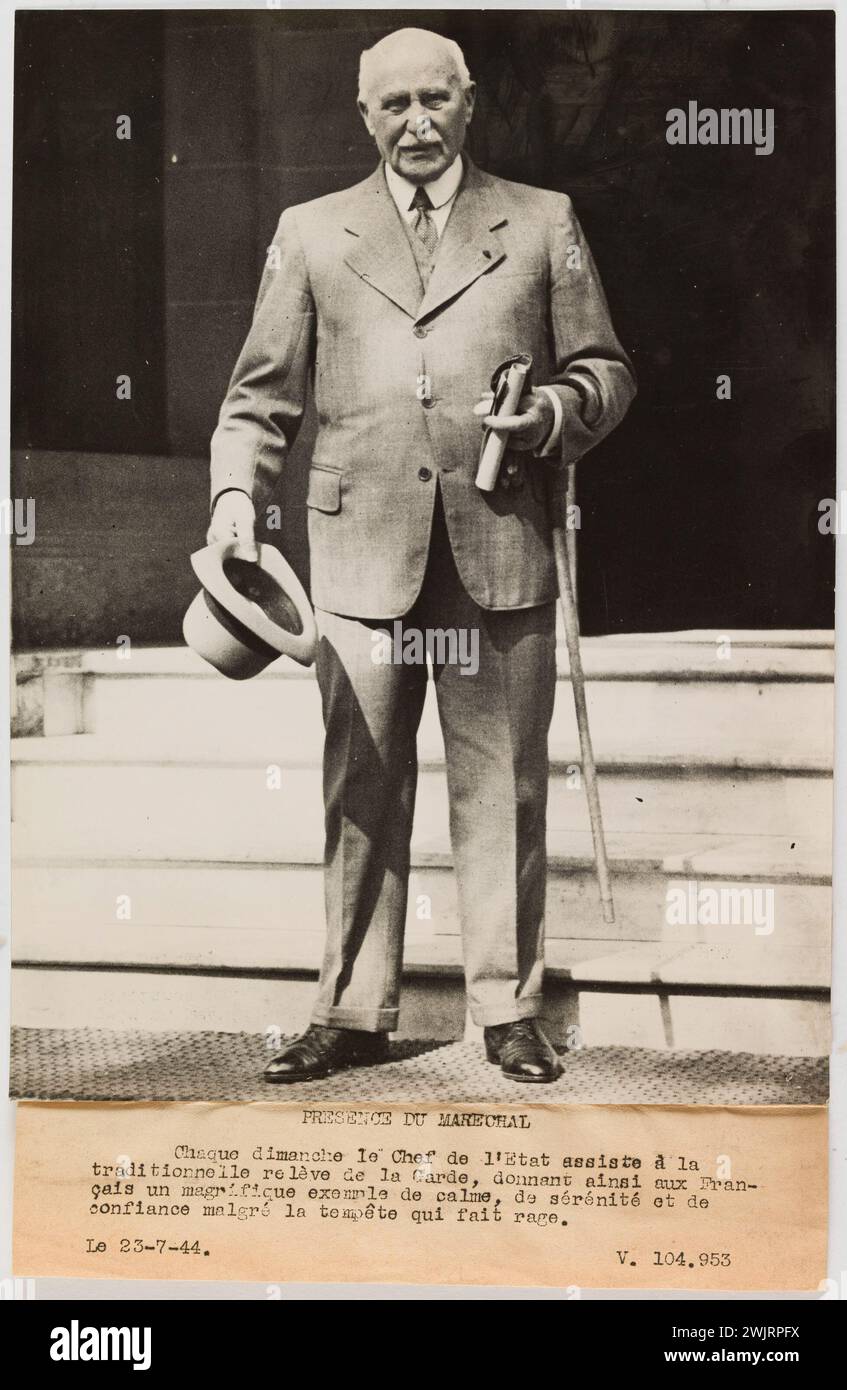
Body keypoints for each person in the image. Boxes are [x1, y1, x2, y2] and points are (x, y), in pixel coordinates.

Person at [207, 27, 636, 1084]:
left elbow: (607, 372)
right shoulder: (310, 234)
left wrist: (547, 414)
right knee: (361, 785)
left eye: (433, 101)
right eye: (392, 105)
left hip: (499, 546)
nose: (414, 123)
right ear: (364, 117)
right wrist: (232, 503)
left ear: (469, 102)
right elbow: (259, 400)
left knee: (505, 789)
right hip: (358, 557)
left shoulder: (542, 223)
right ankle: (351, 1010)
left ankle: (509, 1007)